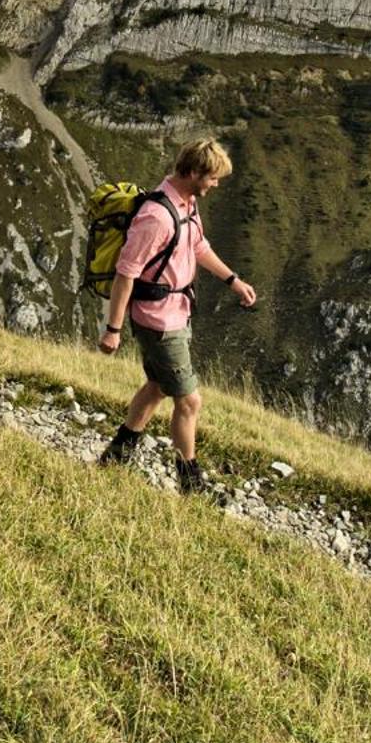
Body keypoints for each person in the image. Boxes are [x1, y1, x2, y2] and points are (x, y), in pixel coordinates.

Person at [97, 137, 257, 495]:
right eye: (213, 177)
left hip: (176, 312)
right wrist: (113, 329)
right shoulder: (156, 217)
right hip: (158, 320)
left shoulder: (187, 203)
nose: (216, 184)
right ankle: (190, 483)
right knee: (189, 400)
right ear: (195, 171)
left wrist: (233, 280)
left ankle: (117, 455)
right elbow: (126, 272)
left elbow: (198, 246)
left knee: (156, 387)